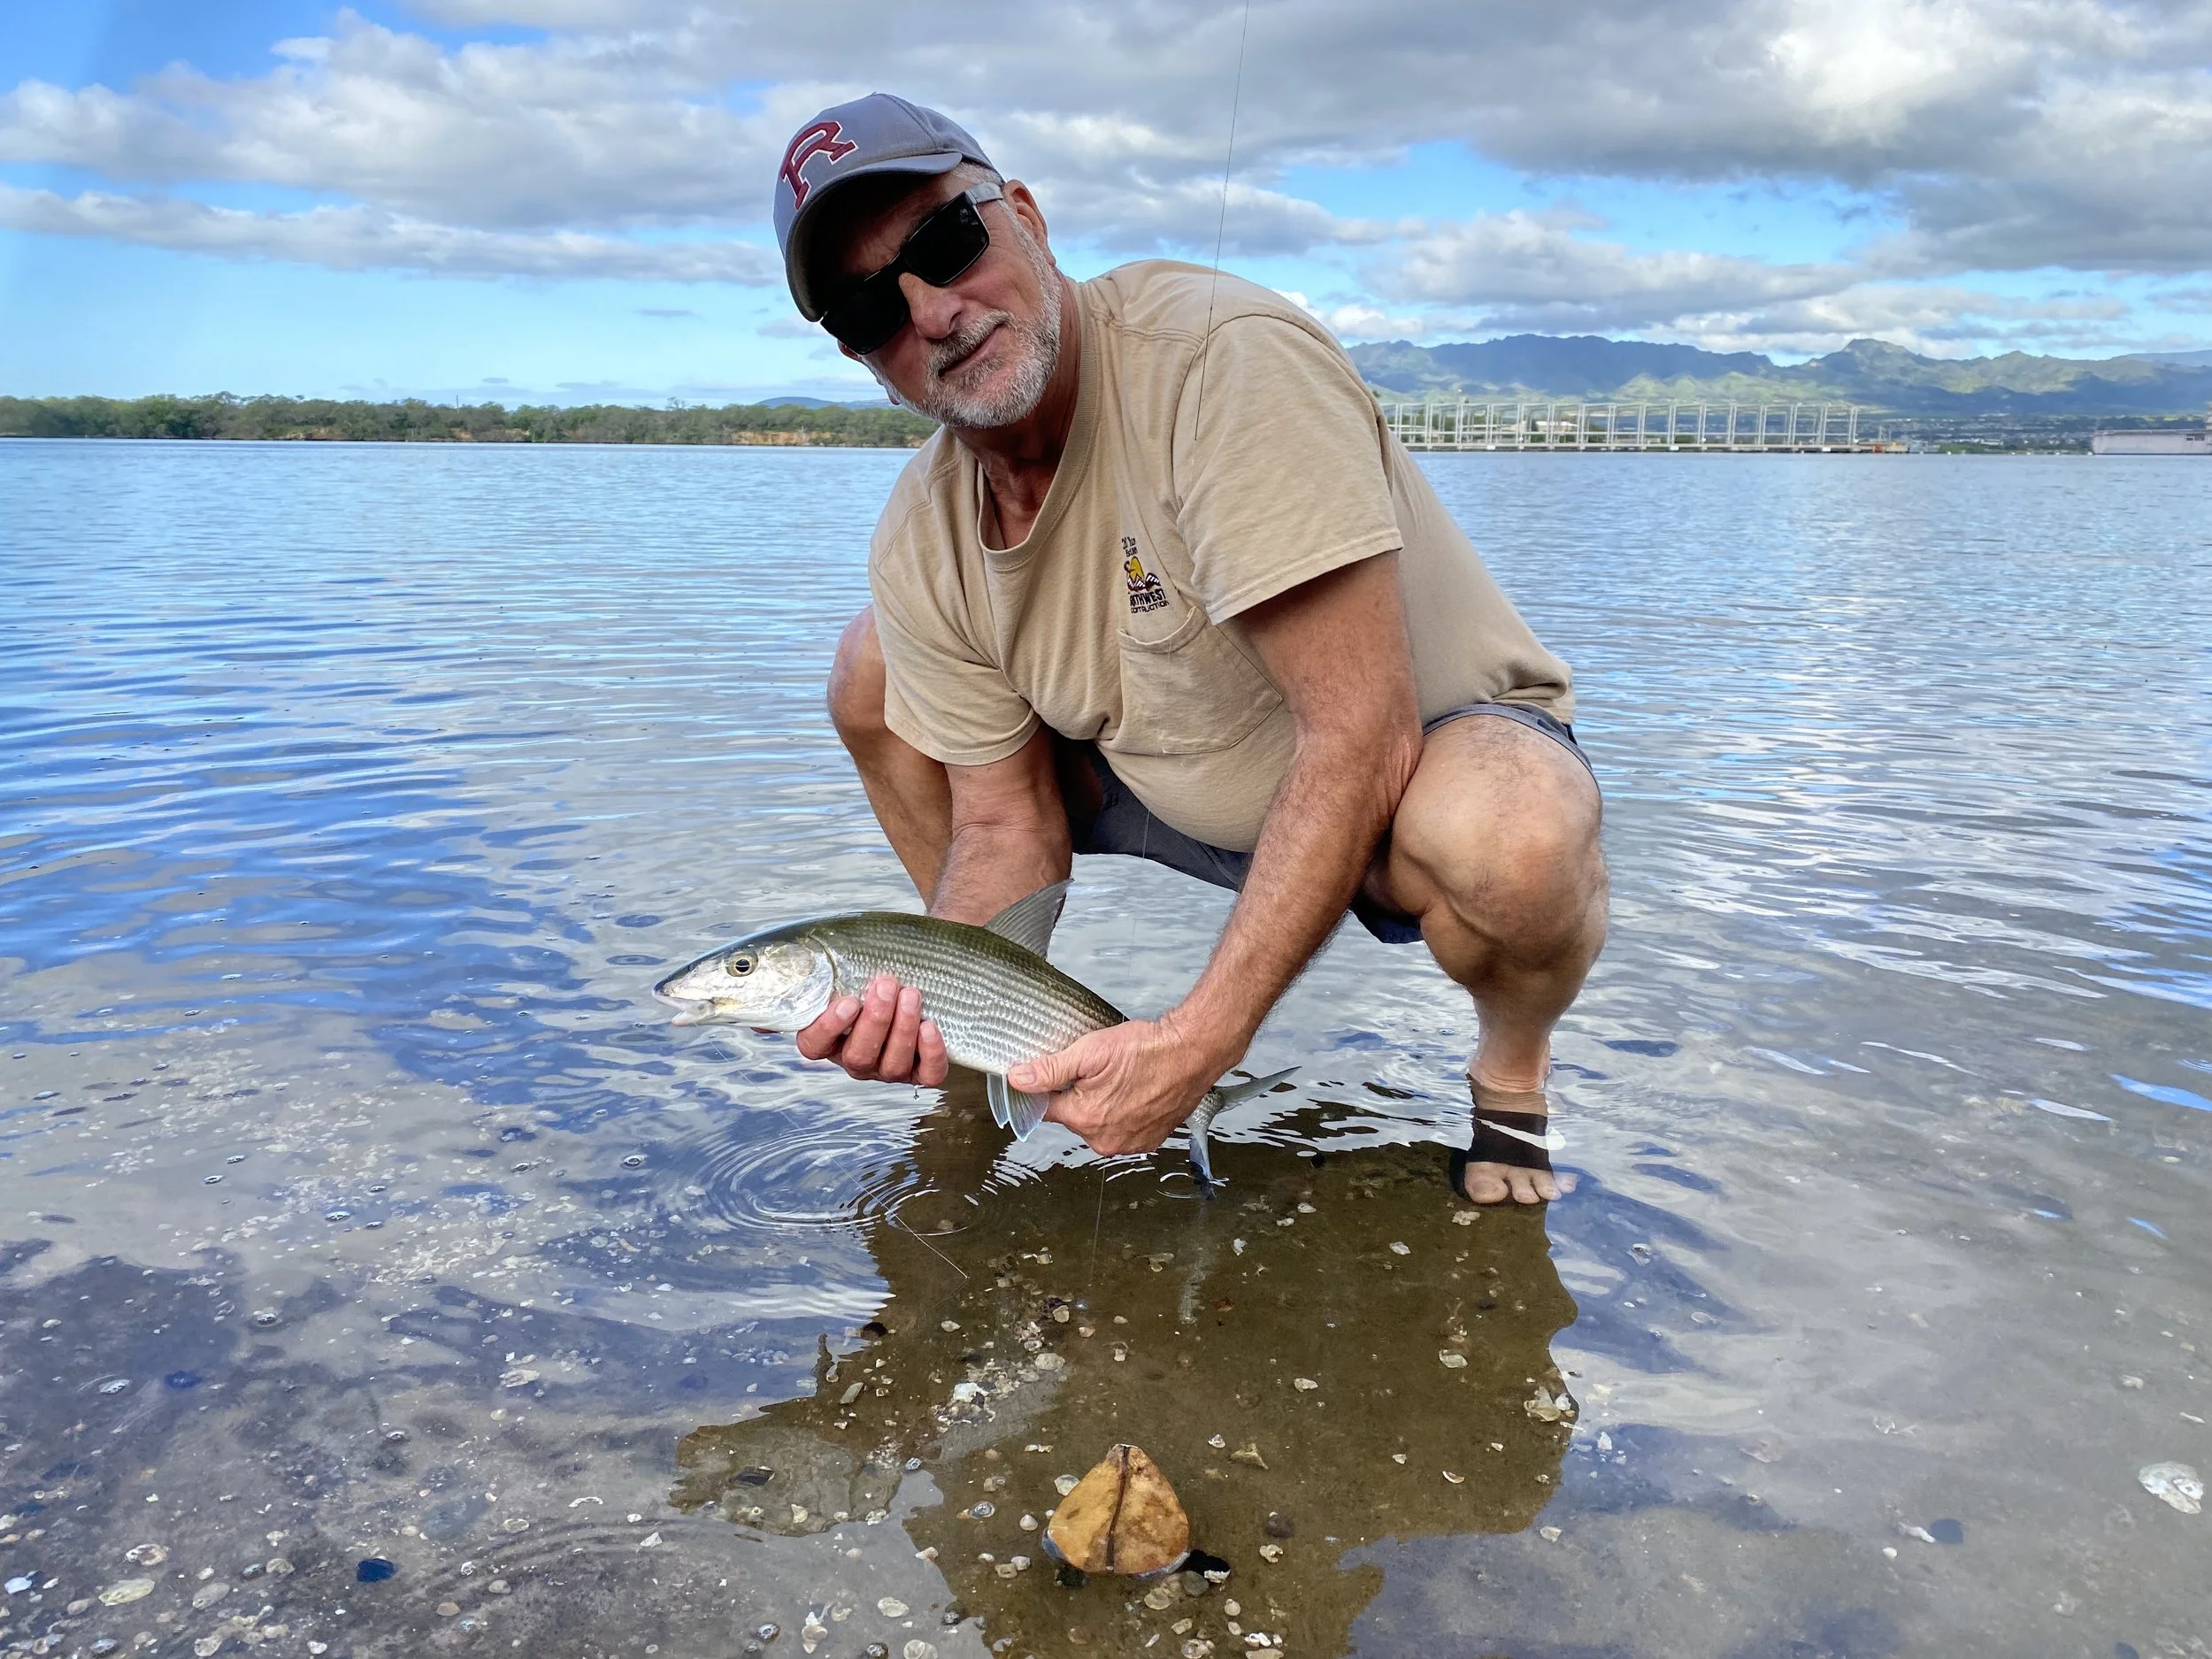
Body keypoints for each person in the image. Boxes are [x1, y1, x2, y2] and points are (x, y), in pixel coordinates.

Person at [769, 93, 1607, 1203]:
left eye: (948, 241)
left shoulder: (1222, 361)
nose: (931, 313)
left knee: (1515, 837)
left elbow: (1360, 735)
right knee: (871, 672)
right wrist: (924, 1003)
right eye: (871, 306)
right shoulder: (921, 532)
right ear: (856, 353)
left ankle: (1511, 1071)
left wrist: (1200, 1039)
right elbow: (1004, 824)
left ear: (1025, 216)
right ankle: (1008, 1045)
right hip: (1177, 784)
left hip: (1410, 765)